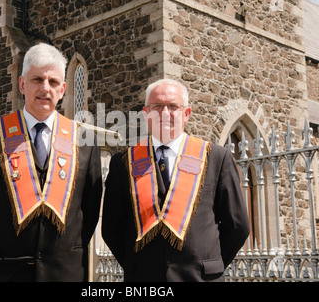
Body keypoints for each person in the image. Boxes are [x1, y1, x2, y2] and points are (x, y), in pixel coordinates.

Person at [0, 43, 102, 281]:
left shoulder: (85, 142)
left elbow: (89, 213)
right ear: (22, 84)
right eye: (37, 79)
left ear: (63, 90)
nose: (45, 88)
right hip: (0, 273)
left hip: (63, 272)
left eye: (53, 82)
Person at [102, 79, 250, 282]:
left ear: (186, 114)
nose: (164, 113)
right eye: (157, 107)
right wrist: (137, 265)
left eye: (173, 107)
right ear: (146, 113)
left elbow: (238, 225)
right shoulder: (123, 163)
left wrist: (209, 264)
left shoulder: (216, 158)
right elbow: (112, 229)